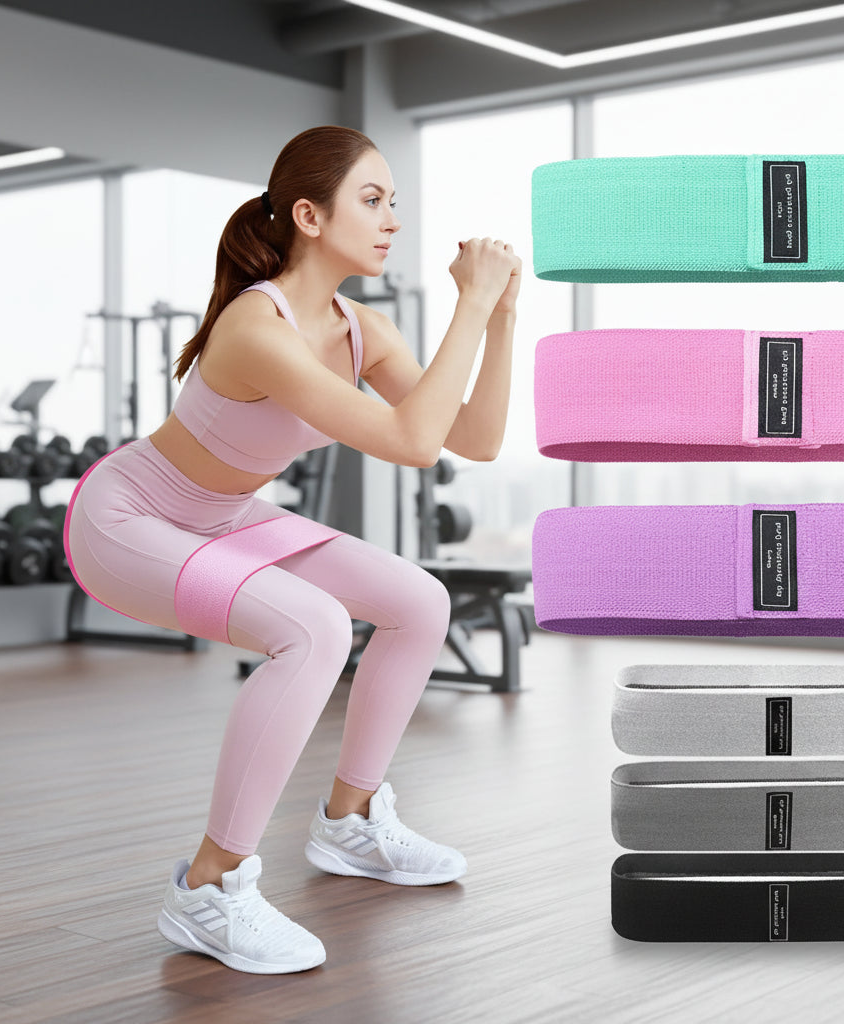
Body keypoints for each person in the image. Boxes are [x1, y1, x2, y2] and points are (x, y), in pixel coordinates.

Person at [63, 125, 520, 975]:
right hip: (126, 519)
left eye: (394, 203)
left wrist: (500, 318)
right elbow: (413, 443)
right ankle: (209, 887)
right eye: (372, 201)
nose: (392, 220)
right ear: (309, 215)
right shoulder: (255, 324)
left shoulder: (362, 329)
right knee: (314, 628)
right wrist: (469, 302)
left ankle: (350, 822)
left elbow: (475, 440)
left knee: (420, 601)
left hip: (227, 514)